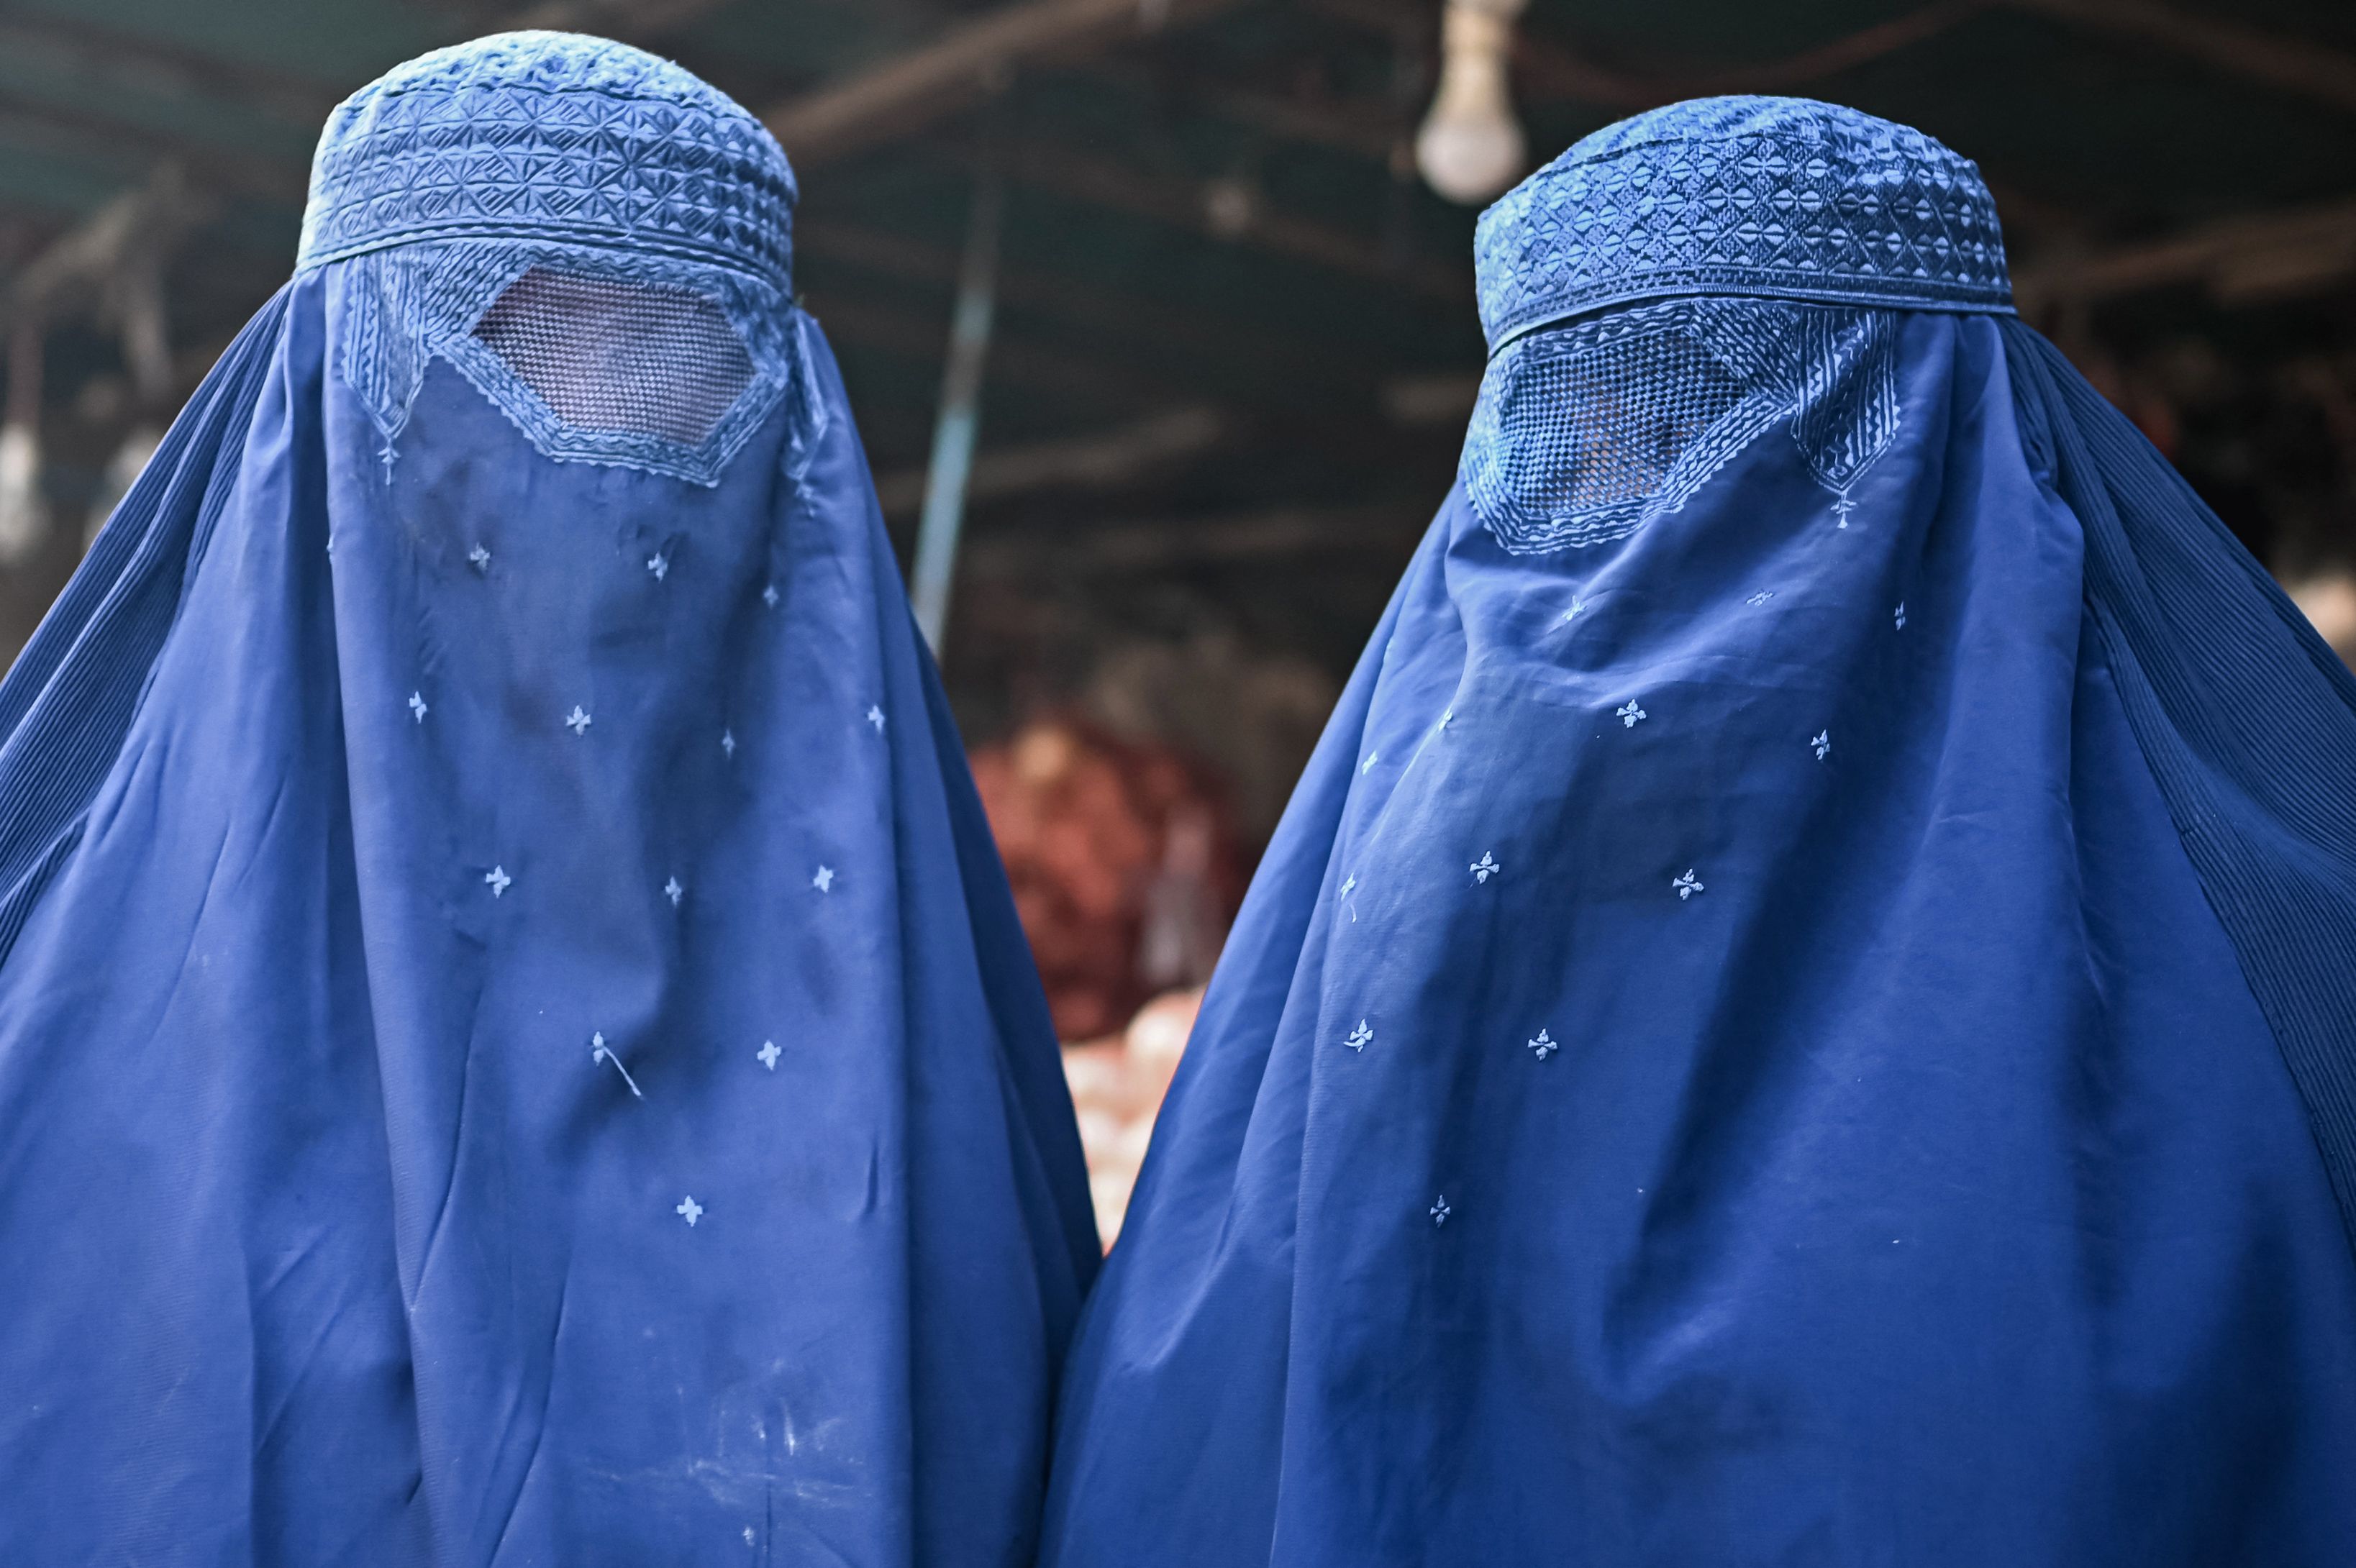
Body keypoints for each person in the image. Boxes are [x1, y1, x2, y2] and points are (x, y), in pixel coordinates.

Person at [1040, 96, 2356, 1566]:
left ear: (1948, 440)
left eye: (1706, 436)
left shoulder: (2262, 921)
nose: (1641, 539)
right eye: (1570, 461)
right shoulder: (1414, 897)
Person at [0, 33, 1096, 1565]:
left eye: (675, 393)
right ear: (323, 407)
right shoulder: (54, 1053)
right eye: (508, 373)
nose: (595, 481)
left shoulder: (937, 1074)